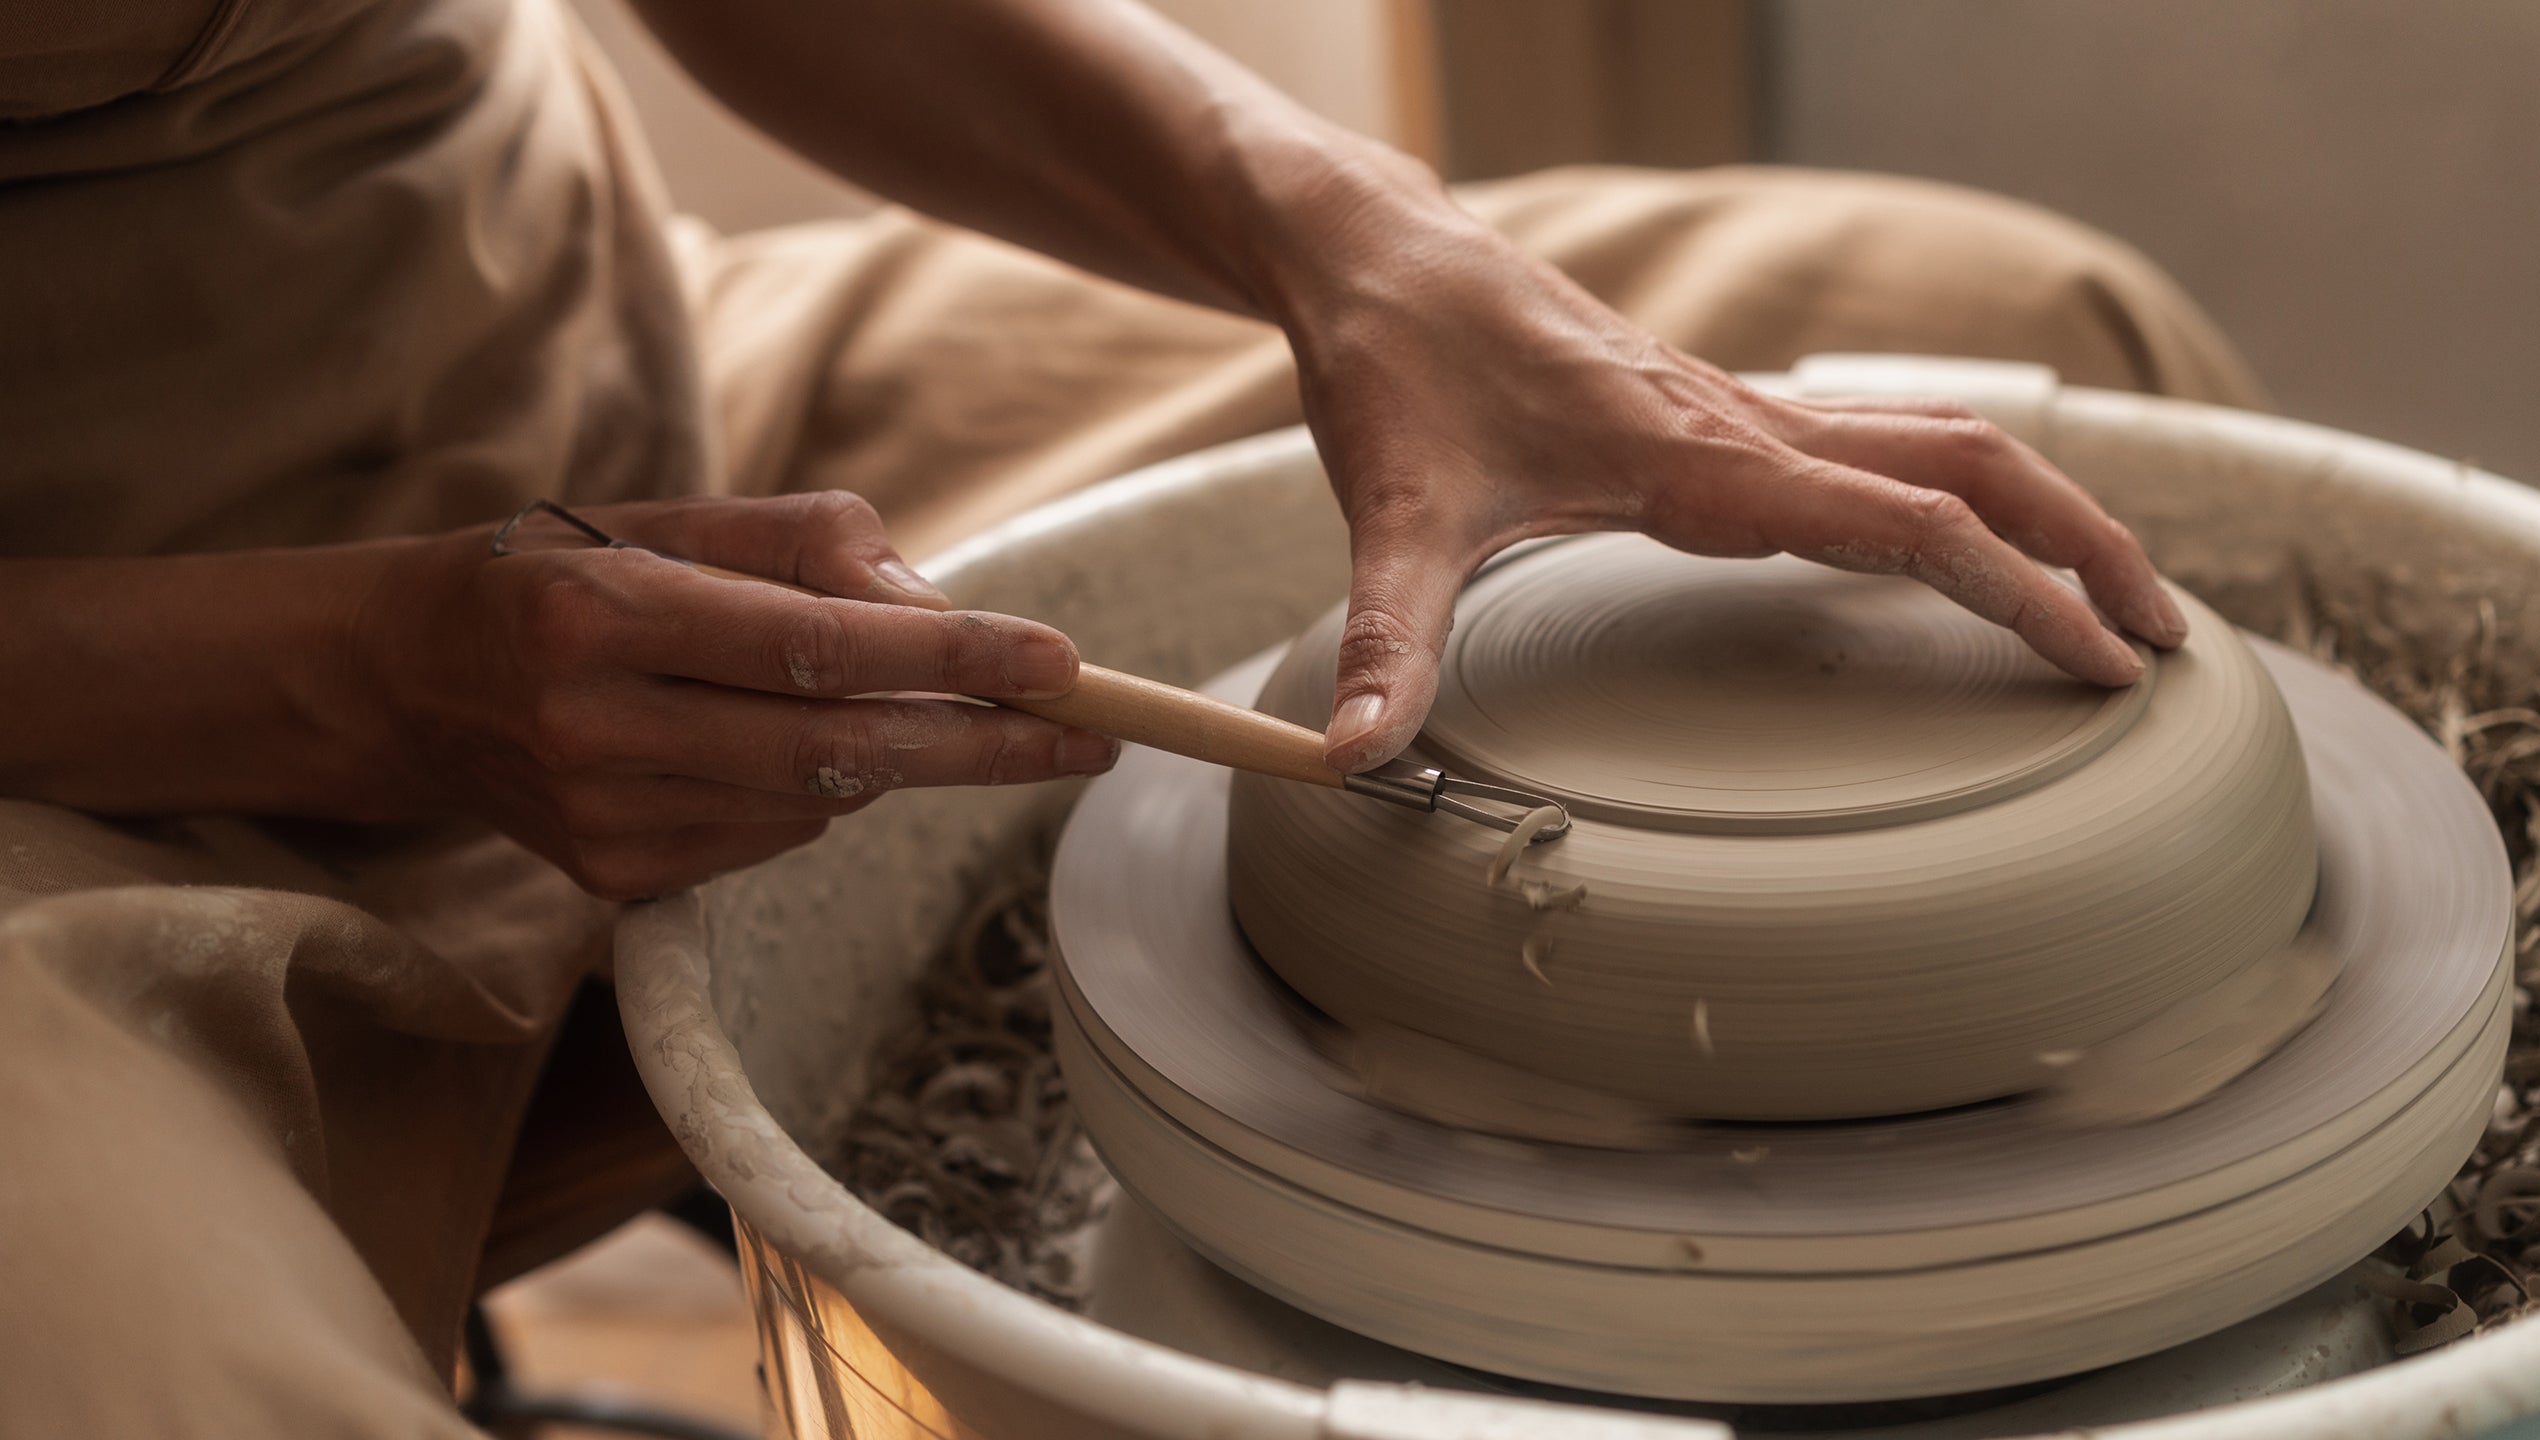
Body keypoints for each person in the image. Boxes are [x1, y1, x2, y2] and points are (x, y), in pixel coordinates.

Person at [0, 0, 2264, 1431]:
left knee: (2019, 335)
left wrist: (1352, 237)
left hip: (590, 382)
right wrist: (367, 672)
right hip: (86, 702)